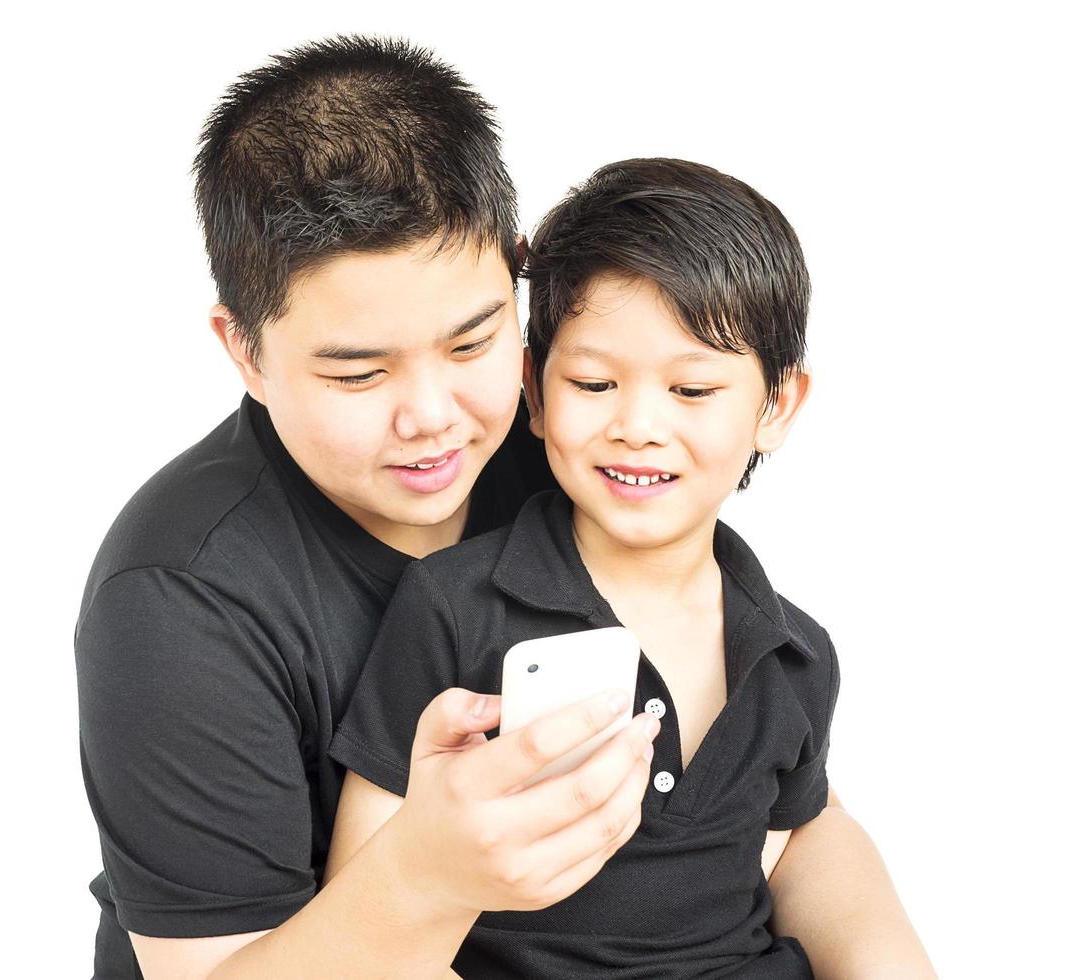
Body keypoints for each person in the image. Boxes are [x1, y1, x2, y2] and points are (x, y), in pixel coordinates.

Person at [74, 37, 659, 980]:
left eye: (471, 346)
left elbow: (788, 797)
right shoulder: (179, 599)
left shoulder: (579, 452)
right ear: (244, 350)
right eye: (358, 371)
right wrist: (424, 874)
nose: (432, 419)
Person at [328, 158, 936, 977]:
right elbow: (365, 889)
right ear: (534, 397)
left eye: (691, 390)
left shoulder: (797, 653)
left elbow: (792, 846)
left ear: (777, 406)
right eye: (594, 381)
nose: (639, 425)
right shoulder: (453, 607)